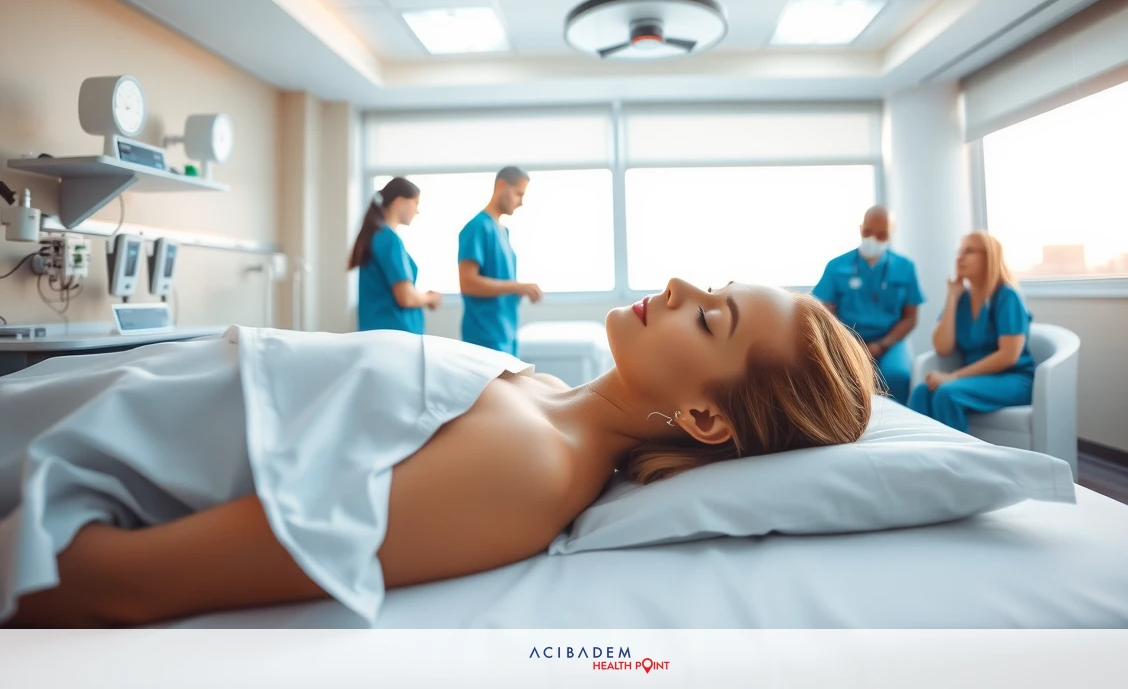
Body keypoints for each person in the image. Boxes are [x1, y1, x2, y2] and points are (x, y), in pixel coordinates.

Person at [1, 279, 876, 627]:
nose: (683, 286)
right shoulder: (536, 392)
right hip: (79, 398)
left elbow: (131, 582)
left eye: (710, 317)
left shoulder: (530, 472)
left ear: (704, 419)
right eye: (713, 286)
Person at [908, 231, 1036, 432]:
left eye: (969, 251)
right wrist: (952, 297)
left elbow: (1009, 356)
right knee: (922, 391)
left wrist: (954, 377)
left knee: (946, 393)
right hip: (974, 379)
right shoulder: (962, 299)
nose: (960, 257)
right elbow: (942, 347)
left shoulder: (1007, 296)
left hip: (1014, 379)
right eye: (959, 251)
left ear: (989, 258)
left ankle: (957, 461)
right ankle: (917, 457)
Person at [812, 205, 924, 405]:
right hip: (847, 339)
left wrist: (882, 345)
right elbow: (825, 313)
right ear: (860, 229)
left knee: (897, 377)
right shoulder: (836, 266)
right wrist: (848, 343)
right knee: (839, 379)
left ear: (890, 235)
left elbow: (910, 317)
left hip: (890, 341)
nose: (872, 239)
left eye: (881, 235)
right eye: (868, 232)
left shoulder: (905, 267)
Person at [458, 166, 542, 354]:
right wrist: (516, 286)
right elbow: (468, 283)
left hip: (506, 333)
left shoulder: (503, 231)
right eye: (518, 194)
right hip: (485, 336)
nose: (521, 202)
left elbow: (499, 279)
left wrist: (519, 290)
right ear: (501, 185)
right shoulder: (476, 228)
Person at [349, 177, 441, 334]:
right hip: (393, 335)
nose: (417, 211)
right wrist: (429, 298)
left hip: (382, 334)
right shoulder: (388, 238)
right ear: (399, 201)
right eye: (415, 203)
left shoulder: (378, 235)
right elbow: (406, 297)